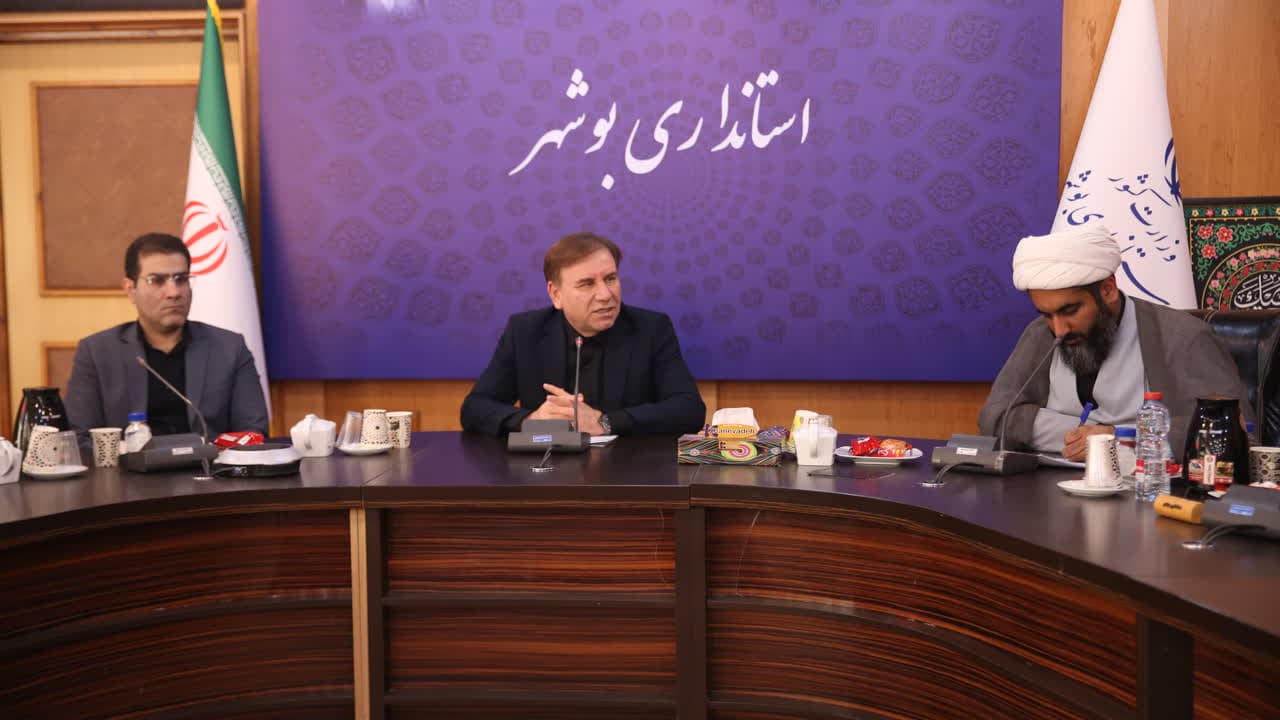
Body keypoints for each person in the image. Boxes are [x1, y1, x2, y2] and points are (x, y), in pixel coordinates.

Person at [978, 224, 1249, 461]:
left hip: (1149, 492)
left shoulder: (1183, 336)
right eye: (1047, 315)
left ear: (1107, 290)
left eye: (1070, 310)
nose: (1059, 329)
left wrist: (1118, 439)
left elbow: (1233, 431)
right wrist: (1078, 437)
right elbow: (996, 417)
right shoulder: (1041, 334)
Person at [461, 232, 706, 436]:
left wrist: (606, 422)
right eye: (587, 284)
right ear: (555, 294)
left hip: (628, 470)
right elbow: (474, 408)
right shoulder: (525, 332)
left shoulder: (650, 329)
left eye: (610, 279)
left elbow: (689, 410)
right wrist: (530, 421)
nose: (605, 295)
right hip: (547, 471)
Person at [65, 233, 269, 438]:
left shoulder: (229, 348)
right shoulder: (97, 352)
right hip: (128, 460)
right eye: (157, 280)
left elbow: (252, 432)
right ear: (130, 289)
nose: (174, 292)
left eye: (181, 279)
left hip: (210, 459)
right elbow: (79, 439)